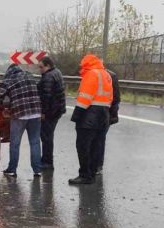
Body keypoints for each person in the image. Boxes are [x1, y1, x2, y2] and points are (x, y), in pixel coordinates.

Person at [68, 54, 113, 185]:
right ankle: (92, 173)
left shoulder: (91, 74)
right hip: (104, 114)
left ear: (86, 64)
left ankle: (85, 175)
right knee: (96, 146)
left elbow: (85, 98)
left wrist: (76, 116)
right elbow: (110, 97)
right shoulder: (106, 74)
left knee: (83, 146)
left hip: (89, 115)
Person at [0, 64, 43, 177]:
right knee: (35, 142)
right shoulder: (30, 76)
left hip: (19, 114)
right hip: (35, 113)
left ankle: (12, 169)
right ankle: (37, 170)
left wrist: (2, 108)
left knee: (15, 144)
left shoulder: (9, 79)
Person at [37, 56, 66, 170]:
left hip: (50, 112)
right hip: (57, 110)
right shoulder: (57, 72)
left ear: (47, 66)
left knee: (46, 137)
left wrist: (43, 112)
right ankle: (47, 160)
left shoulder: (48, 76)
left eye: (41, 67)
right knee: (48, 136)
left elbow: (46, 97)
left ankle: (47, 162)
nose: (40, 70)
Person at [94, 68, 121, 175]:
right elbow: (116, 99)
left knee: (97, 140)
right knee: (99, 140)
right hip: (105, 113)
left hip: (102, 114)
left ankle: (96, 165)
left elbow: (115, 98)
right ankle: (97, 165)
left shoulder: (97, 75)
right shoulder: (111, 75)